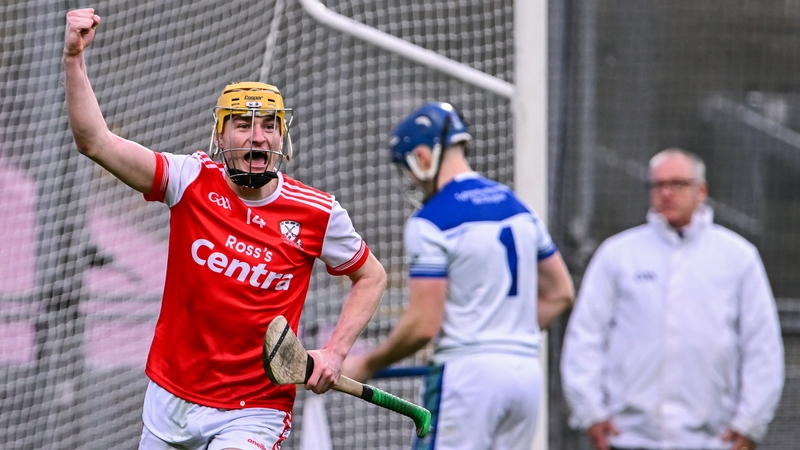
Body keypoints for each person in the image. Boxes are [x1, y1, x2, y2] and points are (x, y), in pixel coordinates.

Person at [64, 8, 386, 450]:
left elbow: (371, 276)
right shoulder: (188, 181)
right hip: (171, 397)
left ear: (282, 137)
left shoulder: (318, 213)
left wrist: (334, 351)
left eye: (269, 125)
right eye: (243, 123)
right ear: (220, 136)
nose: (257, 136)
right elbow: (95, 142)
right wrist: (73, 58)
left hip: (255, 409)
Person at [343, 102, 575, 450]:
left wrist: (367, 363)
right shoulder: (519, 207)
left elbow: (423, 325)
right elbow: (561, 294)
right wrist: (503, 329)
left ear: (422, 156)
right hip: (525, 376)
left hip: (467, 380)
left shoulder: (431, 220)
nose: (411, 179)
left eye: (408, 168)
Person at [560, 148, 785, 450]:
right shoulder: (618, 254)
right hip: (627, 439)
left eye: (678, 184)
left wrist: (749, 424)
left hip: (712, 441)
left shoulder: (738, 258)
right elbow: (585, 338)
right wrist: (591, 414)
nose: (667, 193)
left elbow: (763, 347)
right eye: (658, 185)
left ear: (701, 190)